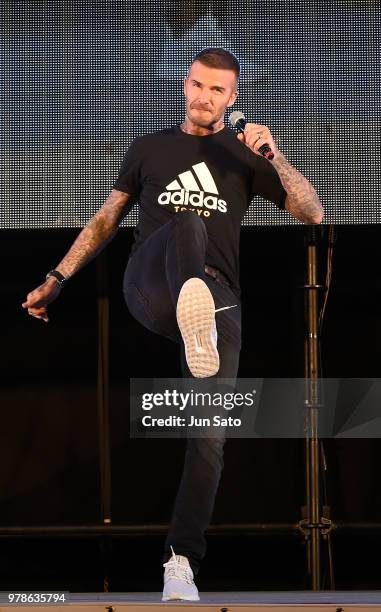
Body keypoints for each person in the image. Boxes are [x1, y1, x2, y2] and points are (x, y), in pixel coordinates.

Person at [22, 48, 323, 600]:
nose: (203, 98)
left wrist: (274, 156)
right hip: (154, 284)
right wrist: (57, 278)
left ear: (232, 98)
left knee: (211, 433)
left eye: (216, 91)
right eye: (196, 86)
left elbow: (313, 212)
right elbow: (106, 220)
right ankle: (192, 300)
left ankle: (180, 561)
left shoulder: (244, 154)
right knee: (188, 221)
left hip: (219, 302)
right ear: (185, 85)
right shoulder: (150, 148)